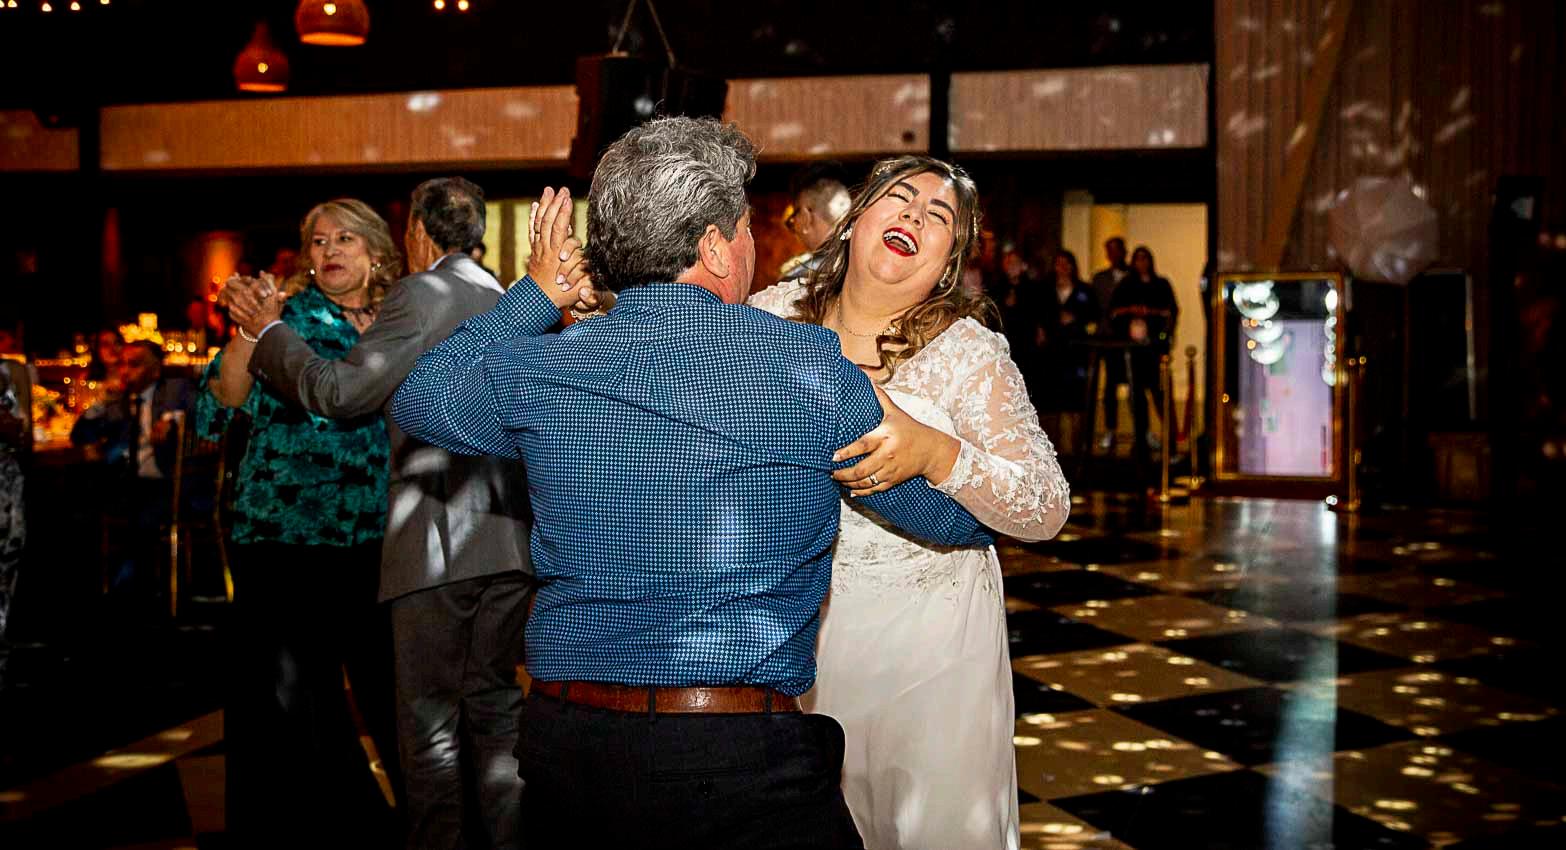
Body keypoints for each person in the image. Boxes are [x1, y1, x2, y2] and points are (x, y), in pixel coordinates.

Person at [390, 117, 992, 849]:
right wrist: (964, 481)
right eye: (744, 227)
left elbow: (421, 395)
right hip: (737, 759)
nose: (752, 244)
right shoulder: (803, 365)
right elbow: (942, 519)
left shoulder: (545, 365)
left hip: (568, 750)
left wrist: (537, 293)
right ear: (713, 246)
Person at [749, 155, 1071, 849]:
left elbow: (1046, 505)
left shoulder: (968, 355)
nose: (914, 216)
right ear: (855, 218)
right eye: (899, 198)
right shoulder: (768, 318)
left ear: (948, 261)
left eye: (939, 216)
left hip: (933, 643)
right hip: (795, 626)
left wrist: (937, 454)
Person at [227, 177, 534, 850]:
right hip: (509, 539)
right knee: (495, 715)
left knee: (429, 726)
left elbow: (341, 392)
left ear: (417, 232)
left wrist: (271, 333)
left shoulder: (421, 294)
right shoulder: (506, 295)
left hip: (438, 540)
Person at [197, 198, 402, 847]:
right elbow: (220, 404)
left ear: (376, 251)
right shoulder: (285, 315)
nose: (329, 250)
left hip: (372, 534)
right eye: (319, 241)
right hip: (283, 534)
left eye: (345, 238)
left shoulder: (401, 318)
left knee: (384, 685)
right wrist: (251, 331)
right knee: (294, 699)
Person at [69, 340, 195, 604]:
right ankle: (98, 587)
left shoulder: (175, 389)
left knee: (141, 510)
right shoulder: (118, 403)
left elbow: (201, 410)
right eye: (122, 364)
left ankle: (132, 588)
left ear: (155, 370)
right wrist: (100, 403)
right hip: (128, 482)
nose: (125, 371)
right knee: (81, 505)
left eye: (134, 364)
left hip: (170, 484)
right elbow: (80, 436)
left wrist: (172, 420)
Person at [1106, 245, 1179, 457]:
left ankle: (1171, 442)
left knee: (1161, 395)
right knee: (1136, 396)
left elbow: (1171, 312)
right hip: (1134, 352)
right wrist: (1132, 314)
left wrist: (1151, 315)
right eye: (1137, 259)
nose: (1141, 263)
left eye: (1145, 258)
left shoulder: (1161, 284)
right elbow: (1114, 312)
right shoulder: (1126, 285)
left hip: (1155, 349)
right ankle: (1141, 441)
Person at [1037, 249, 1101, 416]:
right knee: (1051, 398)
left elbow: (1095, 317)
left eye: (1067, 263)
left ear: (1073, 266)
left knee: (1077, 398)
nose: (1063, 267)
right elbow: (1039, 316)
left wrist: (1076, 319)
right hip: (1052, 351)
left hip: (1077, 350)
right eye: (1059, 264)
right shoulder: (1045, 291)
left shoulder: (1085, 290)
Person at [779, 163, 852, 284]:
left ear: (806, 218)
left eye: (793, 218)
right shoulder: (868, 262)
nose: (795, 228)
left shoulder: (798, 279)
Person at [1091, 236, 1131, 451]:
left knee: (1135, 386)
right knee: (1110, 386)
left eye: (1118, 250)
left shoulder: (1133, 276)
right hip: (1108, 337)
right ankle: (1110, 428)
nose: (1114, 254)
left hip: (1130, 338)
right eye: (1110, 250)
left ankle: (1141, 430)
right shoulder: (1100, 279)